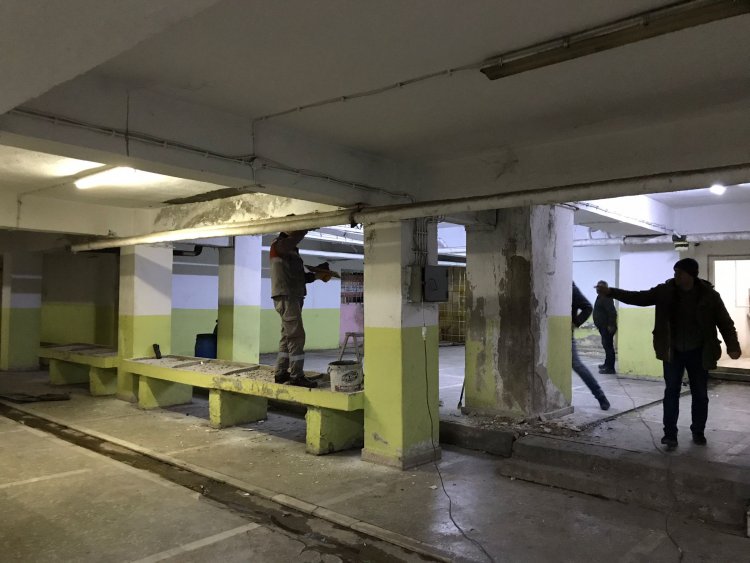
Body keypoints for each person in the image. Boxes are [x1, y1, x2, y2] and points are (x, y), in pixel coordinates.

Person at [596, 257, 741, 450]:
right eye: (675, 272)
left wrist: (733, 346)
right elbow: (639, 298)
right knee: (671, 392)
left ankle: (698, 431)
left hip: (699, 352)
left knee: (700, 394)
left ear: (691, 274)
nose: (676, 276)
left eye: (679, 273)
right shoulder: (665, 291)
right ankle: (670, 435)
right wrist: (612, 292)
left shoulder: (709, 296)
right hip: (673, 351)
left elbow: (725, 322)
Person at [270, 230, 332, 388]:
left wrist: (317, 274)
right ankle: (297, 376)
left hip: (292, 296)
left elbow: (299, 278)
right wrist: (305, 227)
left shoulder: (291, 250)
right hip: (287, 296)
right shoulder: (280, 245)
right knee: (297, 336)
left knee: (287, 336)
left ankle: (281, 373)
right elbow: (295, 237)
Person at [572, 282, 611, 411]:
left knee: (577, 365)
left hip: (566, 335)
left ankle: (600, 396)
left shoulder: (571, 289)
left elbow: (588, 307)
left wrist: (575, 322)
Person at [593, 280, 618, 374]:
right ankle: (607, 364)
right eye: (597, 287)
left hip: (607, 327)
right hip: (603, 327)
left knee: (608, 347)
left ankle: (610, 368)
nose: (597, 289)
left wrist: (611, 325)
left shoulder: (606, 297)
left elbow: (612, 312)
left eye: (600, 288)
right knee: (606, 346)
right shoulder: (600, 296)